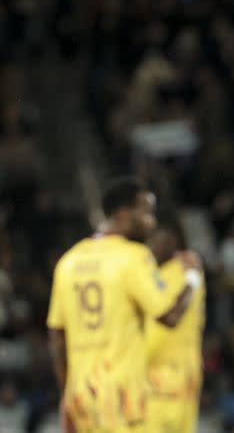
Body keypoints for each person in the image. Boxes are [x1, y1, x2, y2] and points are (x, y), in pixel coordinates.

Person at [47, 178, 201, 432]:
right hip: (121, 400)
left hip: (81, 396)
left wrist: (67, 394)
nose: (151, 222)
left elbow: (56, 338)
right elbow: (169, 316)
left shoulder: (69, 261)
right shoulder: (133, 258)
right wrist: (192, 279)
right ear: (124, 213)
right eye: (146, 210)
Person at [145, 219, 206, 433]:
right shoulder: (190, 269)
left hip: (159, 384)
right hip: (186, 380)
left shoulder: (166, 275)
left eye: (153, 239)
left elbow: (161, 327)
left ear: (171, 240)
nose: (148, 246)